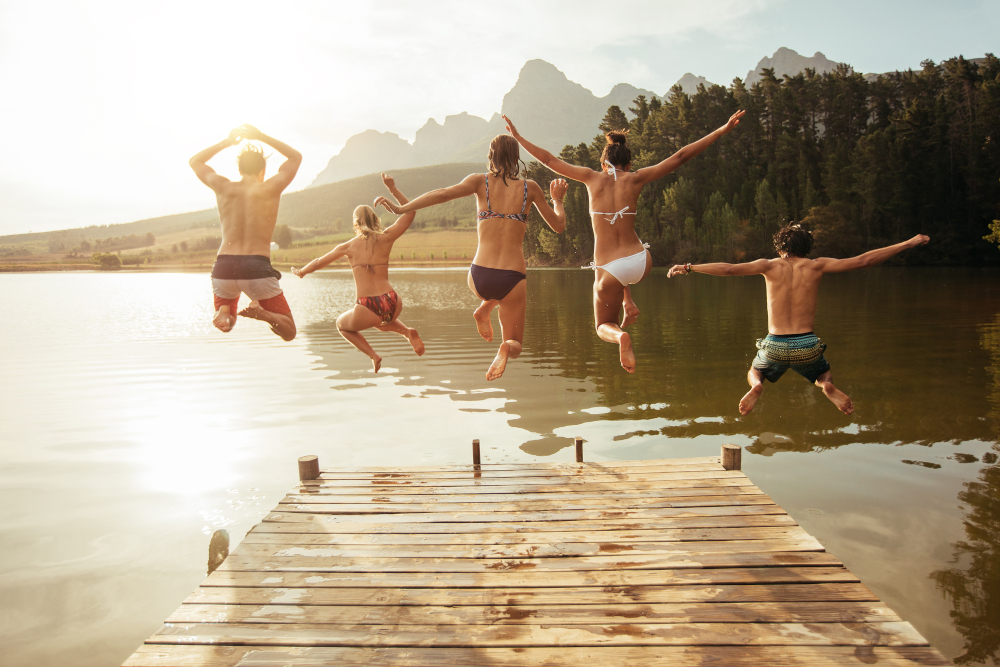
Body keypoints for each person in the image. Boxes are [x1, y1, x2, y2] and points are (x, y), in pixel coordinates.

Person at [503, 111, 745, 373]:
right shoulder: (636, 178)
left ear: (603, 164)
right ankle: (627, 302)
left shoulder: (591, 177)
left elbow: (548, 159)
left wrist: (517, 137)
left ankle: (621, 336)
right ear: (628, 165)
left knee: (601, 324)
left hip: (612, 269)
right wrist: (720, 130)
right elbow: (680, 156)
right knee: (620, 258)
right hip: (642, 261)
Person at [668, 224, 930, 415]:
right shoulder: (817, 265)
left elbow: (727, 268)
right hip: (807, 344)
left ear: (780, 248)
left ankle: (757, 386)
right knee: (823, 372)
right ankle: (827, 386)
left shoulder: (768, 266)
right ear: (807, 248)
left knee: (756, 370)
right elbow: (864, 261)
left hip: (775, 345)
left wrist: (689, 267)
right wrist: (908, 243)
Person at [374, 136, 568, 381]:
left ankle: (485, 306)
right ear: (515, 156)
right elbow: (559, 226)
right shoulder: (531, 188)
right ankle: (503, 343)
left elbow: (443, 194)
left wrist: (402, 208)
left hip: (479, 276)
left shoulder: (480, 181)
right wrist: (558, 200)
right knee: (515, 342)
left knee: (490, 292)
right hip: (513, 277)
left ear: (491, 155)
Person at [293, 174, 425, 372]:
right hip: (393, 300)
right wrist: (393, 189)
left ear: (355, 224)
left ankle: (374, 355)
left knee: (342, 325)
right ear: (376, 220)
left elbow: (319, 262)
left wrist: (302, 271)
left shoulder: (347, 246)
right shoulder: (386, 237)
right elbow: (410, 212)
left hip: (368, 306)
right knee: (380, 321)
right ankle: (406, 332)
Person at [188, 124, 301, 341]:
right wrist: (261, 136)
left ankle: (224, 313)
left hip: (223, 268)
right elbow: (295, 157)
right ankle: (264, 314)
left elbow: (195, 161)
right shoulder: (271, 187)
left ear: (239, 170)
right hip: (256, 267)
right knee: (289, 332)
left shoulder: (223, 187)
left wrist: (227, 142)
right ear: (263, 171)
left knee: (228, 322)